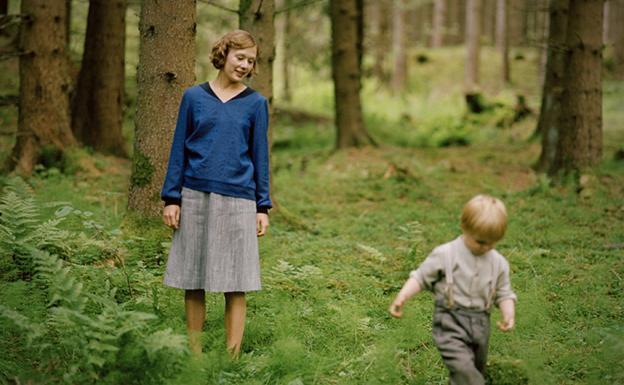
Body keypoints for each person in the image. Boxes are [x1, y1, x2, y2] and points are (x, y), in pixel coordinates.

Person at [160, 30, 272, 357]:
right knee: (193, 279)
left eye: (250, 61)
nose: (244, 65)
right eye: (240, 57)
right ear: (224, 55)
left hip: (239, 199)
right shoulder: (193, 98)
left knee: (236, 282)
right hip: (194, 194)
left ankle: (231, 357)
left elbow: (260, 157)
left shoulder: (255, 104)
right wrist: (172, 198)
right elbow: (179, 148)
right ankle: (194, 356)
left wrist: (262, 206)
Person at [389, 194, 516, 385]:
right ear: (465, 228)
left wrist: (508, 313)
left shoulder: (498, 263)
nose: (485, 247)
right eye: (480, 242)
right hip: (450, 320)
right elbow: (421, 277)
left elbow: (504, 293)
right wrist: (402, 296)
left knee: (473, 370)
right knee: (466, 373)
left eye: (492, 243)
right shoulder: (446, 254)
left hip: (481, 323)